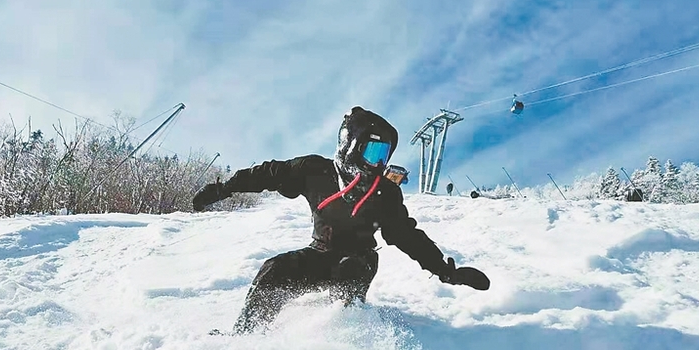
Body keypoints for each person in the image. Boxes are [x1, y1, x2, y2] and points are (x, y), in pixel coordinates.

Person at [193, 106, 489, 334]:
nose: (378, 163)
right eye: (374, 151)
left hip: (359, 259)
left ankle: (347, 336)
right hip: (319, 255)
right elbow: (267, 174)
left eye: (383, 155)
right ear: (352, 144)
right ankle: (248, 334)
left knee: (350, 270)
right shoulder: (314, 171)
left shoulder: (384, 193)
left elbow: (407, 235)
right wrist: (224, 188)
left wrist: (446, 271)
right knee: (274, 269)